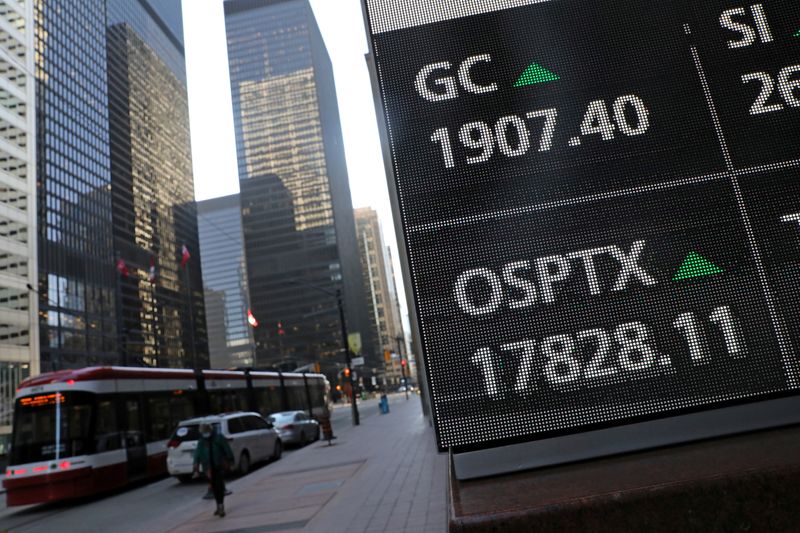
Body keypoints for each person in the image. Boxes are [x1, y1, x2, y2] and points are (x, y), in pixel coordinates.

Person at [193, 423, 234, 517]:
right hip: (208, 468)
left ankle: (221, 505)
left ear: (210, 431)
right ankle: (218, 505)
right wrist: (196, 468)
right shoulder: (201, 441)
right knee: (214, 487)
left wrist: (230, 461)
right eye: (203, 432)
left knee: (219, 486)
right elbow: (197, 454)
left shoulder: (218, 438)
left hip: (219, 466)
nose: (205, 434)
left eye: (206, 431)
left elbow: (226, 449)